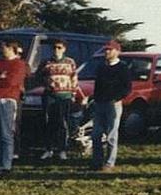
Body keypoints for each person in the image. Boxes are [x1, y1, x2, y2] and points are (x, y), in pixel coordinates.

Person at [0, 39, 28, 177]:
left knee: (6, 134)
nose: (3, 50)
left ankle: (6, 165)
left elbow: (12, 81)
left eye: (5, 48)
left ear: (12, 49)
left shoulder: (19, 64)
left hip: (8, 100)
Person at [38, 39, 83, 161]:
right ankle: (48, 149)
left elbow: (74, 79)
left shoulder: (70, 62)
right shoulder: (46, 62)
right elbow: (38, 77)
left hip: (65, 96)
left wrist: (73, 93)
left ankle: (62, 150)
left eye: (59, 47)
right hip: (50, 96)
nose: (56, 50)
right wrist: (48, 84)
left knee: (63, 123)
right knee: (48, 123)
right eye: (54, 48)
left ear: (64, 49)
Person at [90, 41, 131, 172]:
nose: (107, 52)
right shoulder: (101, 67)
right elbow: (97, 86)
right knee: (96, 134)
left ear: (117, 51)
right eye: (106, 50)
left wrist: (116, 98)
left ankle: (109, 162)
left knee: (111, 135)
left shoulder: (123, 68)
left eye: (110, 50)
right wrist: (94, 99)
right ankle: (97, 161)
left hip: (113, 104)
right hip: (99, 103)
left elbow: (127, 88)